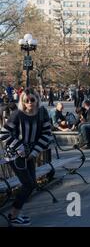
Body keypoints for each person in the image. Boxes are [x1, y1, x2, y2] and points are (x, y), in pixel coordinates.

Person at [0, 88, 53, 226]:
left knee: (32, 184)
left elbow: (47, 133)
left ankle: (16, 213)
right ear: (22, 102)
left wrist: (35, 151)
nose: (29, 103)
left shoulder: (42, 113)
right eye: (26, 100)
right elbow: (4, 133)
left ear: (37, 99)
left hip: (30, 154)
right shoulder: (17, 114)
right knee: (28, 184)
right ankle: (13, 215)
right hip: (15, 154)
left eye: (32, 100)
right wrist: (20, 147)